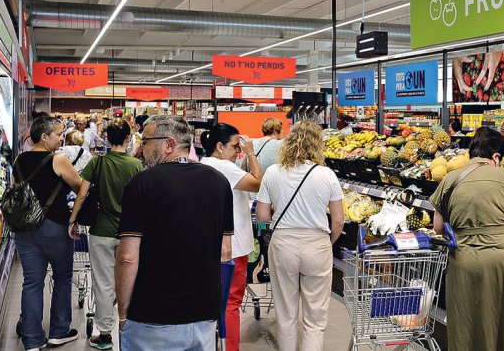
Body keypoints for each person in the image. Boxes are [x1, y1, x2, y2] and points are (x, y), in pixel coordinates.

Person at [116, 115, 234, 351]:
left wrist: (122, 312)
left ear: (168, 144)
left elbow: (127, 258)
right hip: (204, 315)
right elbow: (225, 251)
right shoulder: (219, 182)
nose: (142, 148)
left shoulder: (141, 184)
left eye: (146, 141)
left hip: (153, 317)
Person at [429, 127, 504, 351]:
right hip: (503, 258)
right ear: (496, 156)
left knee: (467, 320)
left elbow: (438, 228)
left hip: (464, 257)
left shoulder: (449, 179)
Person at [256, 121, 345, 351]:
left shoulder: (273, 172)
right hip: (317, 243)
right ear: (317, 144)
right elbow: (338, 221)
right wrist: (328, 242)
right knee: (315, 316)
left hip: (283, 243)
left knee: (286, 313)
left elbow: (263, 216)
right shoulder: (327, 175)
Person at [68, 118, 143, 350]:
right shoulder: (136, 165)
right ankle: (130, 329)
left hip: (101, 232)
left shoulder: (97, 164)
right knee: (130, 282)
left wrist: (72, 220)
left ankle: (105, 335)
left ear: (107, 138)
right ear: (128, 138)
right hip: (130, 235)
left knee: (102, 283)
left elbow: (81, 195)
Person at [13, 116, 84, 350]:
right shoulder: (58, 160)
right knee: (62, 277)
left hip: (25, 228)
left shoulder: (19, 161)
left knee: (32, 282)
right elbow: (79, 186)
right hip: (54, 226)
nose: (61, 137)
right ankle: (59, 331)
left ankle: (32, 340)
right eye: (58, 133)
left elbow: (18, 192)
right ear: (44, 137)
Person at [199, 123, 263, 351]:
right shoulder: (224, 167)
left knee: (212, 300)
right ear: (219, 146)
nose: (238, 151)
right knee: (231, 302)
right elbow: (258, 183)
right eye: (235, 146)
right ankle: (230, 347)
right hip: (233, 247)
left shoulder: (203, 164)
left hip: (208, 245)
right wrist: (252, 153)